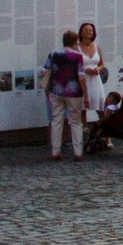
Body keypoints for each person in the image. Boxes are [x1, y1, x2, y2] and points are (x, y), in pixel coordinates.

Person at [44, 29, 89, 160]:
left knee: (56, 120)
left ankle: (55, 152)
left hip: (55, 91)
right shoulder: (77, 56)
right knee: (76, 122)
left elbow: (43, 71)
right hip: (73, 92)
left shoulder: (53, 53)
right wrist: (86, 95)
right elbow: (81, 77)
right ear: (75, 42)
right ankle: (78, 153)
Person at [76, 21, 110, 154]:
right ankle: (84, 138)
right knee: (83, 111)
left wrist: (98, 69)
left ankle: (107, 138)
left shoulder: (97, 47)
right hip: (84, 80)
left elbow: (102, 64)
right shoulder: (77, 48)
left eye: (90, 30)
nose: (88, 32)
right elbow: (76, 65)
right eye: (85, 30)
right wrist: (86, 70)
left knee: (101, 109)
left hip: (96, 81)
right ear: (81, 32)